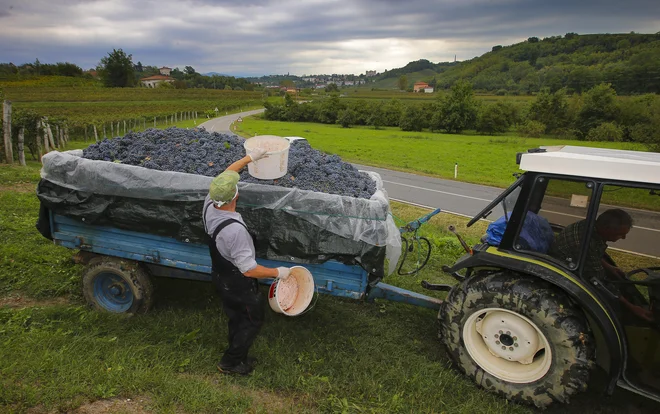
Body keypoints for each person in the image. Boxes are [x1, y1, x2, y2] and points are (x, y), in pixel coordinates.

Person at [203, 148, 292, 375]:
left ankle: (238, 352)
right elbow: (249, 270)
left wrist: (250, 158)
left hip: (221, 276)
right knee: (251, 320)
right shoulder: (234, 232)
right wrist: (277, 273)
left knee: (236, 317)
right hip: (237, 284)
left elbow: (226, 175)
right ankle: (230, 363)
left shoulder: (210, 203)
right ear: (236, 197)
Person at [549, 208, 654, 322]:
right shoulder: (585, 242)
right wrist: (632, 307)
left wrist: (609, 267)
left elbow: (592, 254)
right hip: (566, 275)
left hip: (572, 263)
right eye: (620, 234)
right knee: (612, 306)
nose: (623, 238)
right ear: (606, 229)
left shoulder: (589, 227)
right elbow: (599, 282)